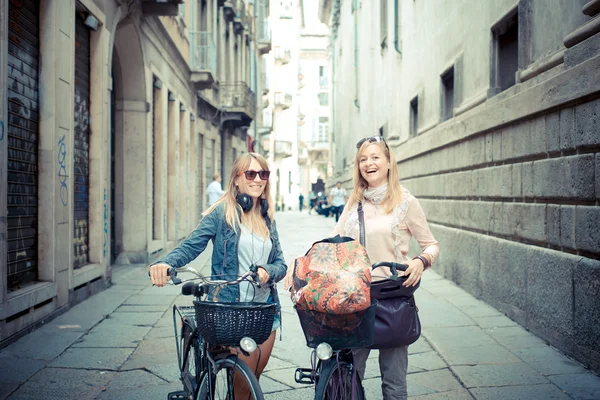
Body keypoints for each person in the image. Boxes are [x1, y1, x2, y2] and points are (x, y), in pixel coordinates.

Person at [149, 153, 287, 399]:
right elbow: (191, 245)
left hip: (265, 312)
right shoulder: (222, 214)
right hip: (230, 310)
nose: (258, 179)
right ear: (236, 180)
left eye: (263, 174)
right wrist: (164, 263)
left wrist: (269, 271)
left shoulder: (268, 218)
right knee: (243, 386)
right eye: (250, 174)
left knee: (249, 385)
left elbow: (281, 263)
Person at [332, 135, 439, 400]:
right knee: (348, 377)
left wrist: (420, 261)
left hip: (392, 297)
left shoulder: (406, 201)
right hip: (355, 298)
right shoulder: (354, 202)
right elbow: (333, 243)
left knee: (393, 381)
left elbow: (432, 246)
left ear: (389, 162)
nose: (368, 163)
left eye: (375, 157)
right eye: (363, 160)